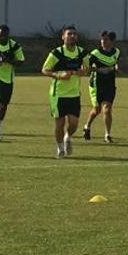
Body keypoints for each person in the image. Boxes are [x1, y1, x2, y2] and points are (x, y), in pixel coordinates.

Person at [41, 25, 86, 159]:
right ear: (63, 37)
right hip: (58, 94)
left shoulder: (82, 52)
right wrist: (58, 75)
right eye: (69, 34)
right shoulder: (56, 53)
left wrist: (84, 71)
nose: (72, 36)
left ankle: (68, 137)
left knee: (74, 123)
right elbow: (45, 69)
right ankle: (60, 148)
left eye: (74, 34)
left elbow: (87, 67)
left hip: (74, 93)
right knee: (59, 124)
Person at [83, 31, 121, 142]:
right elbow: (86, 69)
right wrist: (99, 69)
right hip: (96, 84)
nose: (103, 42)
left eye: (106, 40)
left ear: (112, 41)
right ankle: (87, 126)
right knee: (97, 109)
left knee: (107, 109)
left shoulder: (117, 52)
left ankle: (107, 135)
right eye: (102, 40)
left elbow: (116, 62)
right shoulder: (95, 53)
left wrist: (116, 68)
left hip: (110, 84)